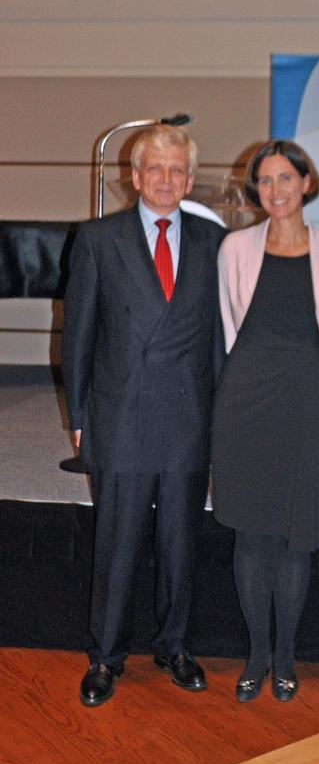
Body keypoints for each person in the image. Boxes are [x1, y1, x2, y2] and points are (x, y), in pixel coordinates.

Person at [62, 124, 226, 707]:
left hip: (187, 416)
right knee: (119, 542)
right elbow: (78, 336)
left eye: (176, 169)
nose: (165, 179)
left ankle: (174, 645)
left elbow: (218, 340)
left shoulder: (212, 239)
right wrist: (79, 414)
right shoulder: (98, 238)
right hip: (119, 416)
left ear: (189, 177)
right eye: (154, 168)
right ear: (134, 177)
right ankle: (106, 657)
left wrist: (221, 416)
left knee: (180, 542)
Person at [211, 140, 319, 702]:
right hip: (245, 400)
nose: (275, 190)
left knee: (296, 538)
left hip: (307, 398)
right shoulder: (234, 247)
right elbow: (228, 324)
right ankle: (257, 654)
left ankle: (288, 656)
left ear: (306, 182)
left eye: (285, 179)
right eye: (265, 181)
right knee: (251, 534)